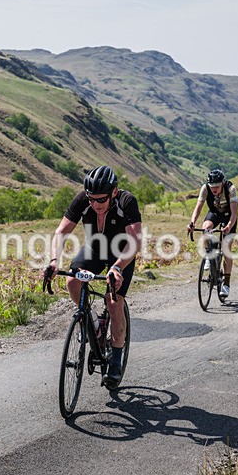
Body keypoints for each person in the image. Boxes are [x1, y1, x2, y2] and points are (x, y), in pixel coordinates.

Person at [46, 165, 142, 389]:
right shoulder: (82, 200)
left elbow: (135, 241)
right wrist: (53, 261)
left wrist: (117, 267)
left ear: (114, 193)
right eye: (91, 199)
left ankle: (116, 358)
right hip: (95, 249)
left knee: (113, 302)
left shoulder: (127, 201)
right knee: (72, 280)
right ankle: (94, 326)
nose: (95, 204)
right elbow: (61, 232)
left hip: (122, 254)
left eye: (101, 200)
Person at [187, 169, 238, 298]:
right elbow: (198, 207)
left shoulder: (230, 189)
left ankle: (226, 284)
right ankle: (209, 254)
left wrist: (228, 227)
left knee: (227, 248)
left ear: (222, 183)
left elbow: (234, 213)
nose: (214, 189)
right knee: (205, 227)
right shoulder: (205, 188)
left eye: (217, 186)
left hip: (229, 216)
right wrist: (192, 223)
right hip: (215, 213)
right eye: (212, 186)